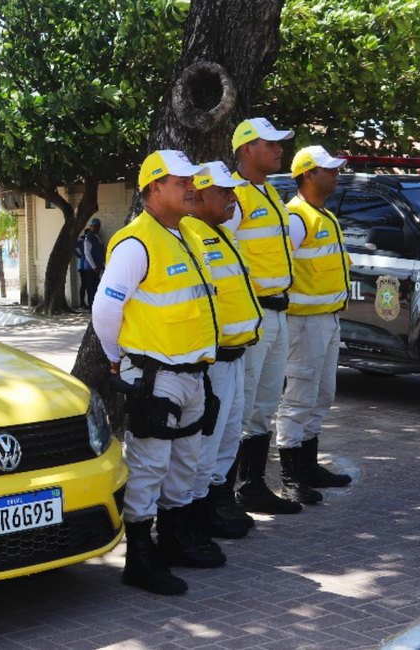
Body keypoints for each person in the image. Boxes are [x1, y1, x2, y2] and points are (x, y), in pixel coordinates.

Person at [93, 150, 222, 596]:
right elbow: (106, 308)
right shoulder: (136, 243)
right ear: (153, 188)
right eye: (181, 180)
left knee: (184, 464)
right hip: (155, 376)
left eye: (193, 180)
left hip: (190, 374)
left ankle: (174, 539)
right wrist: (115, 357)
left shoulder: (185, 233)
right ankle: (140, 558)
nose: (192, 187)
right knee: (149, 466)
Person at [228, 117, 309, 514]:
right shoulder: (235, 197)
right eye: (271, 144)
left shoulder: (270, 194)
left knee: (264, 404)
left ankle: (251, 484)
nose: (280, 150)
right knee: (241, 406)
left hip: (277, 311)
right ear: (247, 150)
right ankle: (224, 494)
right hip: (252, 316)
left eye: (280, 144)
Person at [181, 162, 264, 539]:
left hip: (235, 355)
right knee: (207, 442)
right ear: (197, 195)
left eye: (233, 191)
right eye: (224, 192)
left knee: (229, 436)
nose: (233, 197)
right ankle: (201, 514)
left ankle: (220, 500)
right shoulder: (191, 237)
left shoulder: (221, 233)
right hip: (212, 361)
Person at [275, 146, 354, 492]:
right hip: (303, 324)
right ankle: (292, 476)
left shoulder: (324, 215)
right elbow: (278, 270)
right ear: (308, 174)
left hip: (328, 320)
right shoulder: (296, 218)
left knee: (322, 396)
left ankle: (308, 468)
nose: (336, 175)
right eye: (329, 170)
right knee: (299, 398)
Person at [77, 218, 105, 309]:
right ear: (91, 227)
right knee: (91, 288)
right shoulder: (88, 237)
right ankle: (91, 306)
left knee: (96, 287)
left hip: (97, 266)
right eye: (94, 226)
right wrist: (94, 267)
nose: (97, 228)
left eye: (98, 226)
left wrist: (102, 265)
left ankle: (95, 305)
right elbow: (87, 253)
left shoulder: (97, 237)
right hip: (90, 268)